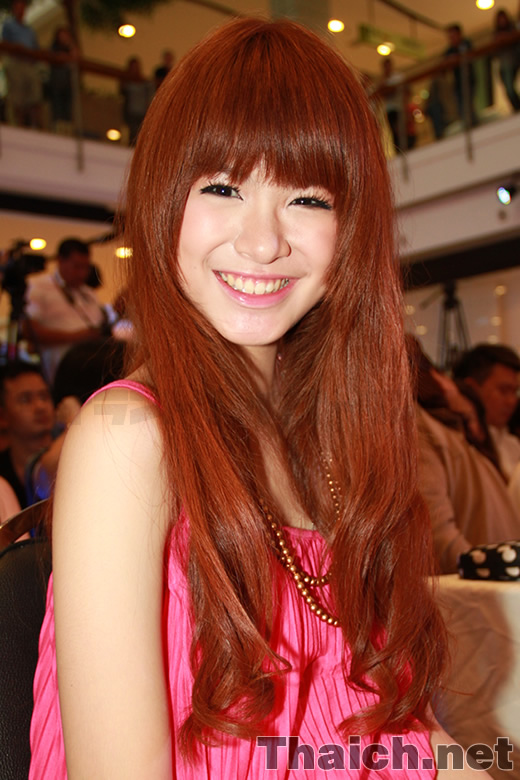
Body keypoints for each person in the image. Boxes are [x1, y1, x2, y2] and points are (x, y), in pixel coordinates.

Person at [30, 18, 490, 779]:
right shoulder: (129, 440)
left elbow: (396, 727)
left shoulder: (329, 444)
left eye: (307, 198)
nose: (263, 241)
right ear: (163, 201)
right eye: (222, 188)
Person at [24, 237, 109, 386]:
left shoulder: (88, 292)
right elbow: (29, 331)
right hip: (60, 368)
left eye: (86, 267)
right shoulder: (38, 286)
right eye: (76, 266)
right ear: (60, 260)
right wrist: (77, 337)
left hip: (92, 363)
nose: (82, 273)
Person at [453, 343, 520, 481]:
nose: (512, 401)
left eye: (515, 392)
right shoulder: (458, 447)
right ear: (472, 388)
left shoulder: (512, 444)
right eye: (503, 390)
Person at [0, 361, 54, 508]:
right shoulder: (2, 475)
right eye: (25, 400)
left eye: (44, 397)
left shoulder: (66, 454)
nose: (40, 406)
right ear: (2, 416)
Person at [0, 0, 43, 128]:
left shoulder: (29, 30)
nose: (21, 10)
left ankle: (34, 126)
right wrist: (17, 49)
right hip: (15, 62)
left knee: (34, 95)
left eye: (22, 8)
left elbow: (36, 48)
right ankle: (17, 125)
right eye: (18, 8)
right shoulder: (8, 25)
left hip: (29, 64)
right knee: (16, 97)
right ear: (14, 9)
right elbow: (5, 44)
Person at [443, 23, 478, 127]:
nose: (452, 39)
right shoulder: (449, 51)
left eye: (453, 35)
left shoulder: (466, 44)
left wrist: (457, 58)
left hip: (468, 79)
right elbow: (445, 65)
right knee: (461, 107)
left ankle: (474, 124)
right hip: (458, 83)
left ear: (459, 34)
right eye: (450, 37)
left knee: (468, 105)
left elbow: (471, 56)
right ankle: (468, 125)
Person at [48, 25, 78, 129]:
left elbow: (75, 57)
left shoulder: (68, 48)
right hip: (57, 82)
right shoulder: (54, 48)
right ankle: (57, 127)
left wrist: (71, 45)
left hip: (67, 83)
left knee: (67, 108)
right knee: (58, 107)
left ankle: (67, 127)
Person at [120, 56, 153, 145]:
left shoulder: (144, 82)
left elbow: (149, 93)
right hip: (131, 112)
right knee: (133, 133)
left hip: (142, 112)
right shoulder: (126, 81)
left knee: (141, 134)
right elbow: (122, 91)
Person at [493, 8, 520, 112]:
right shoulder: (496, 33)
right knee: (508, 88)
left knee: (510, 86)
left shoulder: (513, 28)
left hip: (513, 61)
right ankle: (516, 107)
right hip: (504, 64)